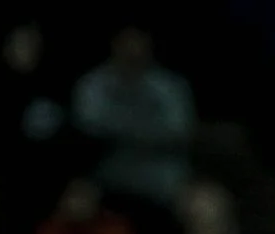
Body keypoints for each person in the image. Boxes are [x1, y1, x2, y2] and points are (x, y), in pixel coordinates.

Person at [71, 27, 195, 211]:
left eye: (138, 41)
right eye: (127, 42)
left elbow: (180, 131)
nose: (133, 49)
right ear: (115, 45)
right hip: (106, 169)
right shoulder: (92, 84)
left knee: (187, 191)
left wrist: (125, 132)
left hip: (159, 170)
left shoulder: (170, 86)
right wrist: (143, 132)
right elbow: (87, 128)